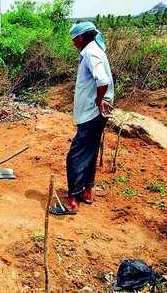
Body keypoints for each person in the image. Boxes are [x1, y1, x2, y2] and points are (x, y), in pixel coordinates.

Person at [56, 21, 114, 215]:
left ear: (80, 37)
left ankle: (72, 201)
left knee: (75, 155)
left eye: (74, 39)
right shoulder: (94, 50)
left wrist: (99, 100)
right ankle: (87, 192)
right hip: (94, 114)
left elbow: (103, 80)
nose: (73, 43)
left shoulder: (91, 53)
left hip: (92, 114)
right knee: (90, 152)